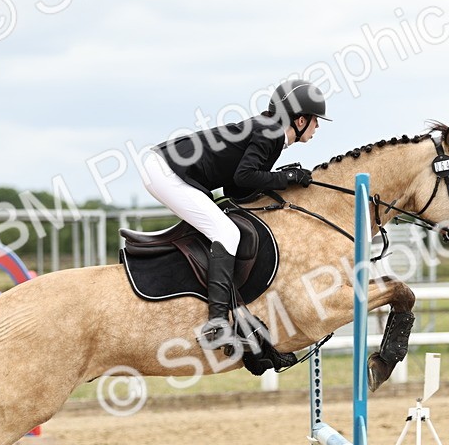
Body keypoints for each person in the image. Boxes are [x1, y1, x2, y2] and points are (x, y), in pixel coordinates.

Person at [141, 79, 330, 348]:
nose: (318, 126)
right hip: (167, 171)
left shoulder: (268, 130)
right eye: (315, 120)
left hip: (165, 166)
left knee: (221, 226)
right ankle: (216, 323)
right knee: (226, 231)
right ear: (300, 121)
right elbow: (245, 176)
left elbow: (235, 185)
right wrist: (287, 177)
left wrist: (281, 182)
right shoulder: (271, 134)